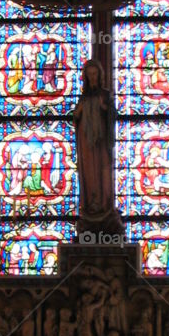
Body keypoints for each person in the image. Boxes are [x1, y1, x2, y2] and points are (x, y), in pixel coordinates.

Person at [72, 59, 115, 219]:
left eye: (95, 74)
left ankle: (104, 204)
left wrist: (105, 109)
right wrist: (79, 113)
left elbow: (111, 114)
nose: (92, 77)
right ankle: (91, 202)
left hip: (101, 140)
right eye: (89, 74)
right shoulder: (83, 97)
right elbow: (76, 117)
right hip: (86, 140)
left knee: (102, 168)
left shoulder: (105, 94)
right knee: (89, 170)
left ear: (99, 75)